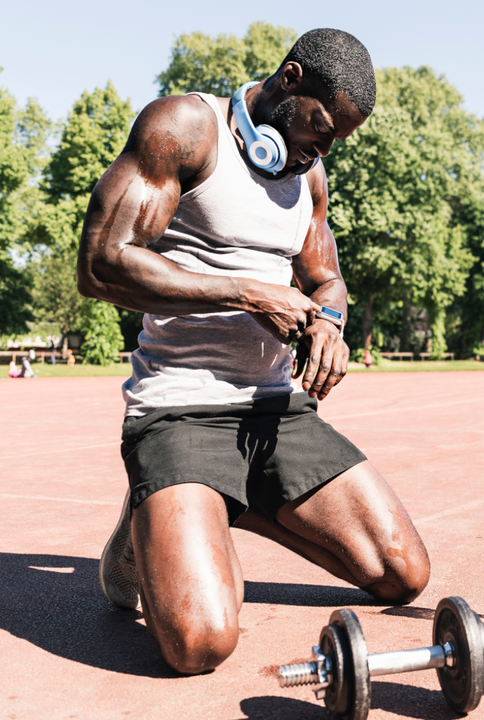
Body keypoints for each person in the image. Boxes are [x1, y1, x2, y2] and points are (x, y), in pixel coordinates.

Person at [76, 29, 429, 674]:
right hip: (179, 408)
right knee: (202, 643)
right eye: (319, 128)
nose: (320, 150)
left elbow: (327, 281)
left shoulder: (310, 175)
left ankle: (210, 504)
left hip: (275, 412)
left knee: (401, 573)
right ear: (288, 81)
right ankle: (159, 509)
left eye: (334, 142)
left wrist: (329, 325)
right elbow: (101, 264)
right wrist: (247, 294)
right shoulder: (184, 128)